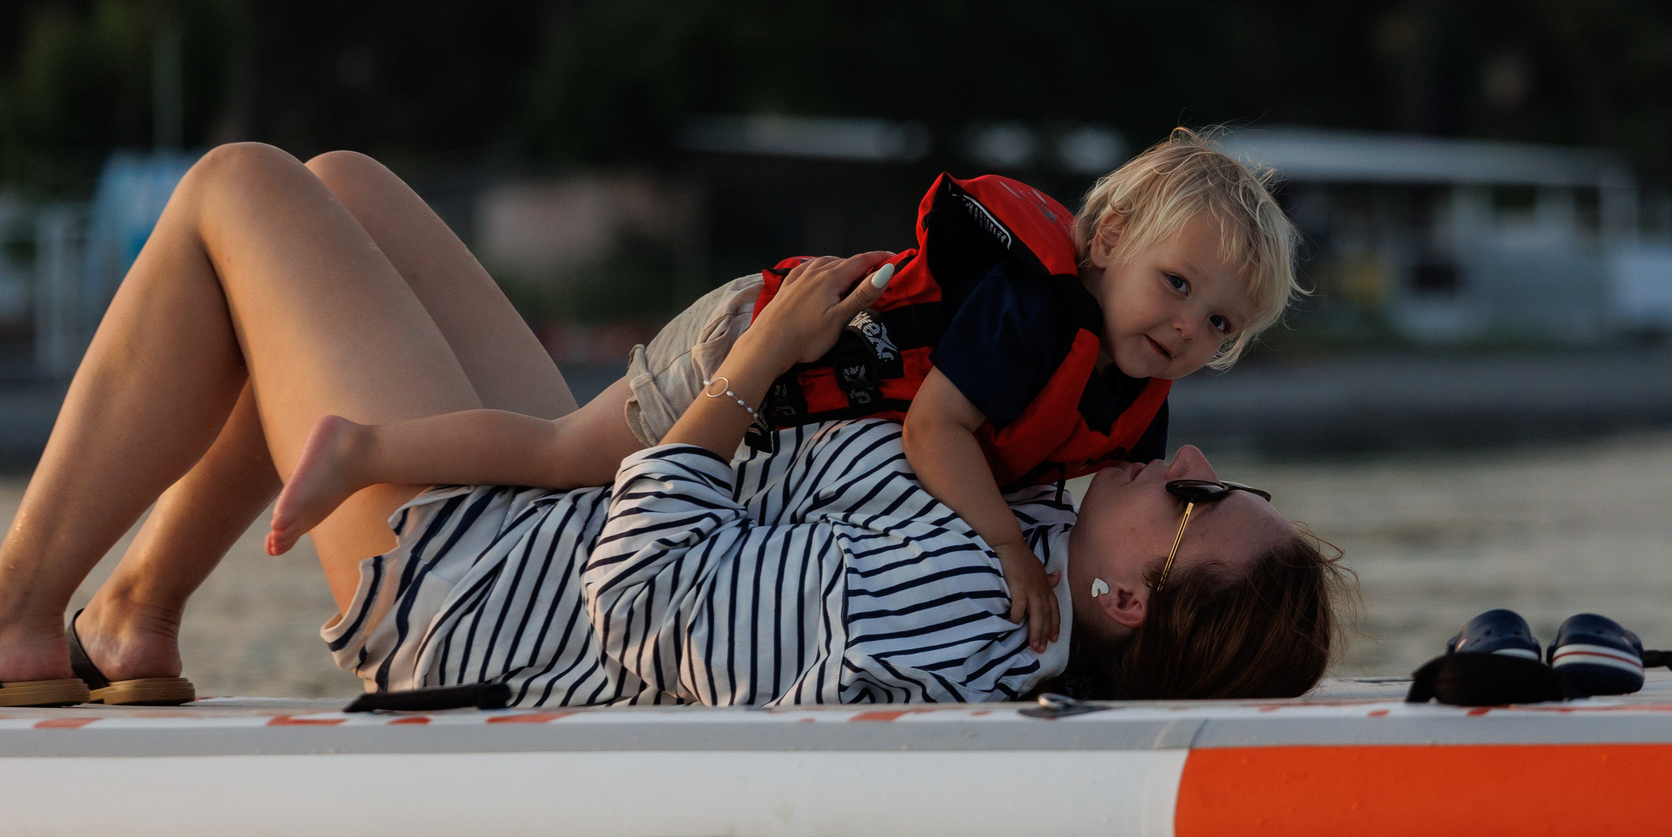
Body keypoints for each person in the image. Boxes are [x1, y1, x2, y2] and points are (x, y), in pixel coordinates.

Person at [0, 145, 1349, 710]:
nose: (1201, 453)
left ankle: (11, 619)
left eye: (1212, 504)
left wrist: (750, 366)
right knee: (348, 186)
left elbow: (650, 600)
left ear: (1131, 596)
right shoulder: (1051, 521)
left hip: (491, 587)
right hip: (559, 515)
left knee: (239, 189)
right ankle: (137, 612)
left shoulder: (965, 603)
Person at [263, 131, 1300, 655]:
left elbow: (1093, 505)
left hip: (779, 399)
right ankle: (359, 451)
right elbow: (936, 434)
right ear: (1107, 243)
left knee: (557, 467)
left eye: (1219, 326)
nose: (1184, 332)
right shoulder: (1032, 317)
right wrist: (1001, 555)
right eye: (1175, 287)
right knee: (554, 455)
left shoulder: (1131, 392)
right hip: (754, 345)